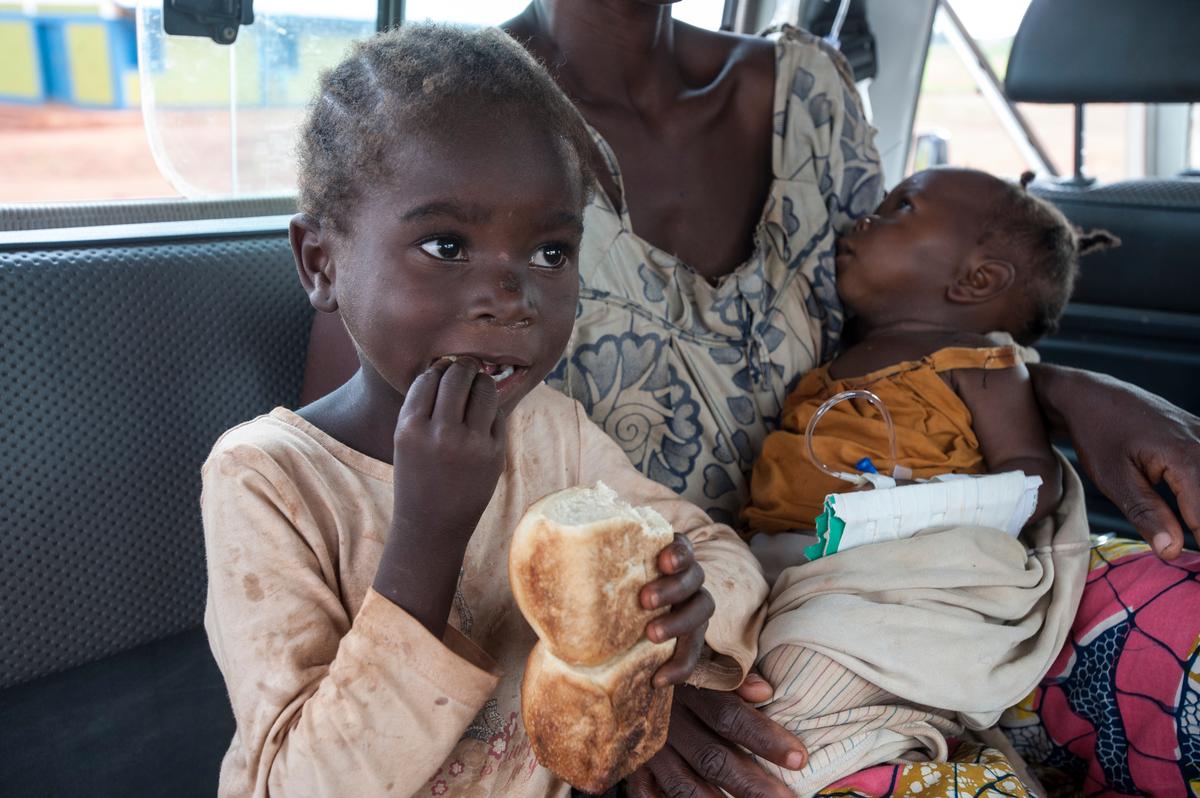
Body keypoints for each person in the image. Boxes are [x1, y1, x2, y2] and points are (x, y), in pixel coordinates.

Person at [300, 3, 1200, 795]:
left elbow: (905, 329)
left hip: (918, 565)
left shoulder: (809, 96)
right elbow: (374, 516)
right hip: (682, 662)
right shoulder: (437, 132)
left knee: (1179, 621)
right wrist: (616, 677)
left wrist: (1069, 389)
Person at [201, 25, 779, 797]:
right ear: (322, 263)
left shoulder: (551, 431)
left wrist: (692, 607)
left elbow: (711, 548)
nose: (512, 296)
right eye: (446, 246)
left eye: (550, 253)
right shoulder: (268, 478)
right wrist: (427, 535)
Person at [737, 167, 1114, 795]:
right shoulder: (832, 361)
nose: (864, 219)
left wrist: (921, 505)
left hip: (905, 573)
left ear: (977, 280)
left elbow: (1035, 478)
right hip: (797, 569)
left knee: (809, 661)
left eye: (901, 208)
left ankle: (862, 744)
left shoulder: (978, 361)